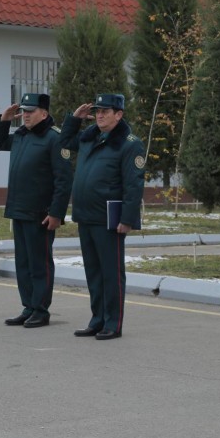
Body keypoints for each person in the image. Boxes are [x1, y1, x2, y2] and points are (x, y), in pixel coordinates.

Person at [59, 93, 145, 340]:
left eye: (105, 111)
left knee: (111, 273)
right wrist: (74, 119)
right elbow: (64, 141)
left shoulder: (129, 144)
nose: (99, 115)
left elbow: (133, 184)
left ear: (119, 115)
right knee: (94, 273)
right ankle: (97, 319)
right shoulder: (89, 138)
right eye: (97, 111)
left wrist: (127, 219)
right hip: (86, 216)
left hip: (109, 218)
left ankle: (112, 323)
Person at [0, 93, 73, 328]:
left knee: (40, 264)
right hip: (19, 209)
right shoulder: (20, 135)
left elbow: (64, 180)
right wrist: (4, 120)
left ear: (44, 113)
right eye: (24, 111)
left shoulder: (55, 139)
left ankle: (41, 309)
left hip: (41, 213)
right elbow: (0, 143)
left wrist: (57, 212)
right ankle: (28, 306)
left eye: (30, 111)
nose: (25, 115)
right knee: (23, 263)